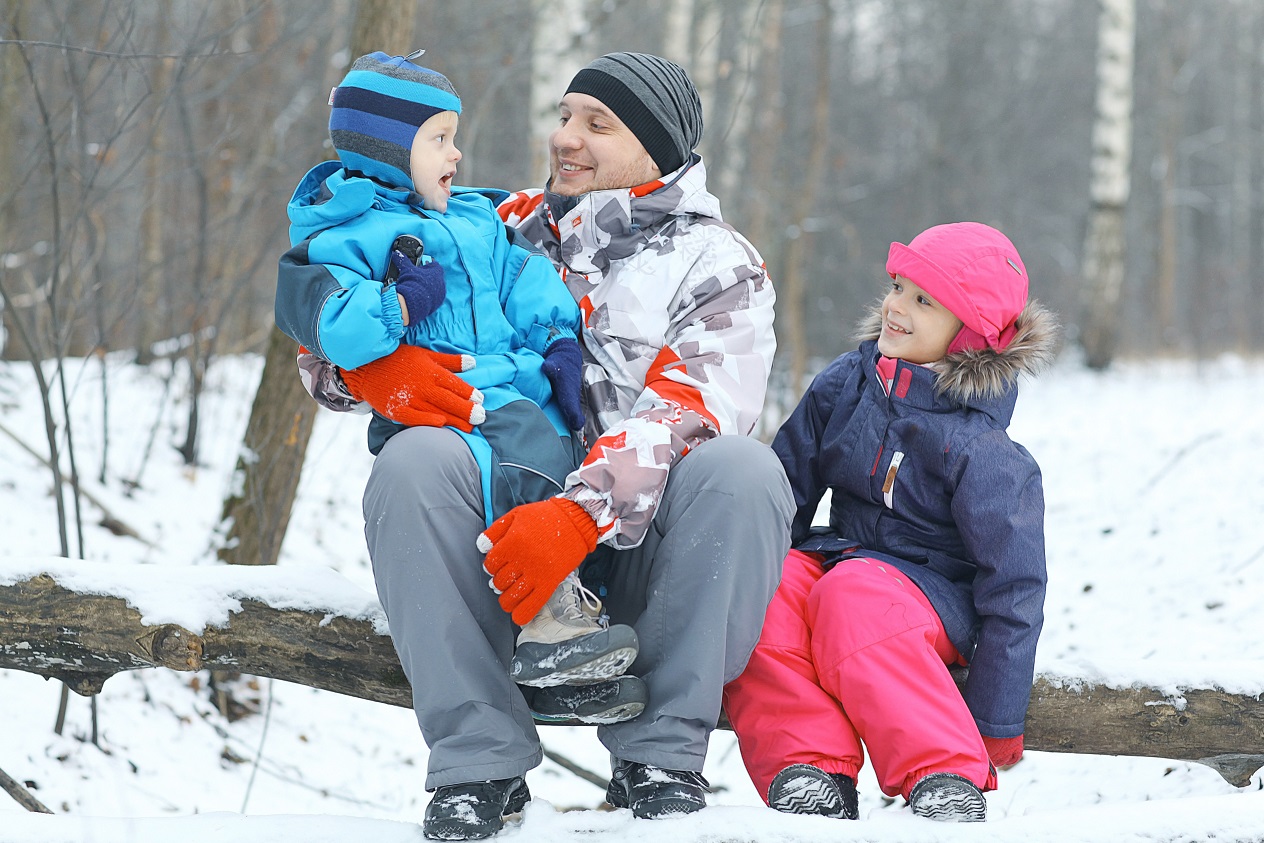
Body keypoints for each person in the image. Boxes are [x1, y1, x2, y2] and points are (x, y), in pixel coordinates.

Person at [284, 51, 793, 840]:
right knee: (414, 459)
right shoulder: (495, 222)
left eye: (598, 123)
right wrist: (375, 375)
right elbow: (332, 326)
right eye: (563, 116)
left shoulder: (718, 264)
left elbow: (692, 411)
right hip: (494, 545)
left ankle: (658, 757)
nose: (566, 138)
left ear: (660, 147)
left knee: (743, 470)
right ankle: (478, 762)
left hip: (637, 557)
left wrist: (578, 514)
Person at [274, 52, 640, 702]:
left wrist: (556, 339)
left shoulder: (474, 217)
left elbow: (523, 277)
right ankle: (551, 622)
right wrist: (396, 306)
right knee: (520, 466)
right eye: (438, 139)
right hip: (446, 396)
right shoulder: (345, 233)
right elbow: (328, 323)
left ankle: (562, 632)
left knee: (556, 447)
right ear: (388, 152)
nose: (457, 154)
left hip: (511, 381)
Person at [723, 222, 1057, 823]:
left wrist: (996, 717)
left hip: (934, 599)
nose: (895, 306)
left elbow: (1015, 588)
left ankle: (943, 772)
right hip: (844, 563)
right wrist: (761, 564)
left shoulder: (983, 451)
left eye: (923, 300)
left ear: (969, 336)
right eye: (899, 286)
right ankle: (810, 767)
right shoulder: (845, 385)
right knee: (763, 585)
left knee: (854, 595)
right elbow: (786, 493)